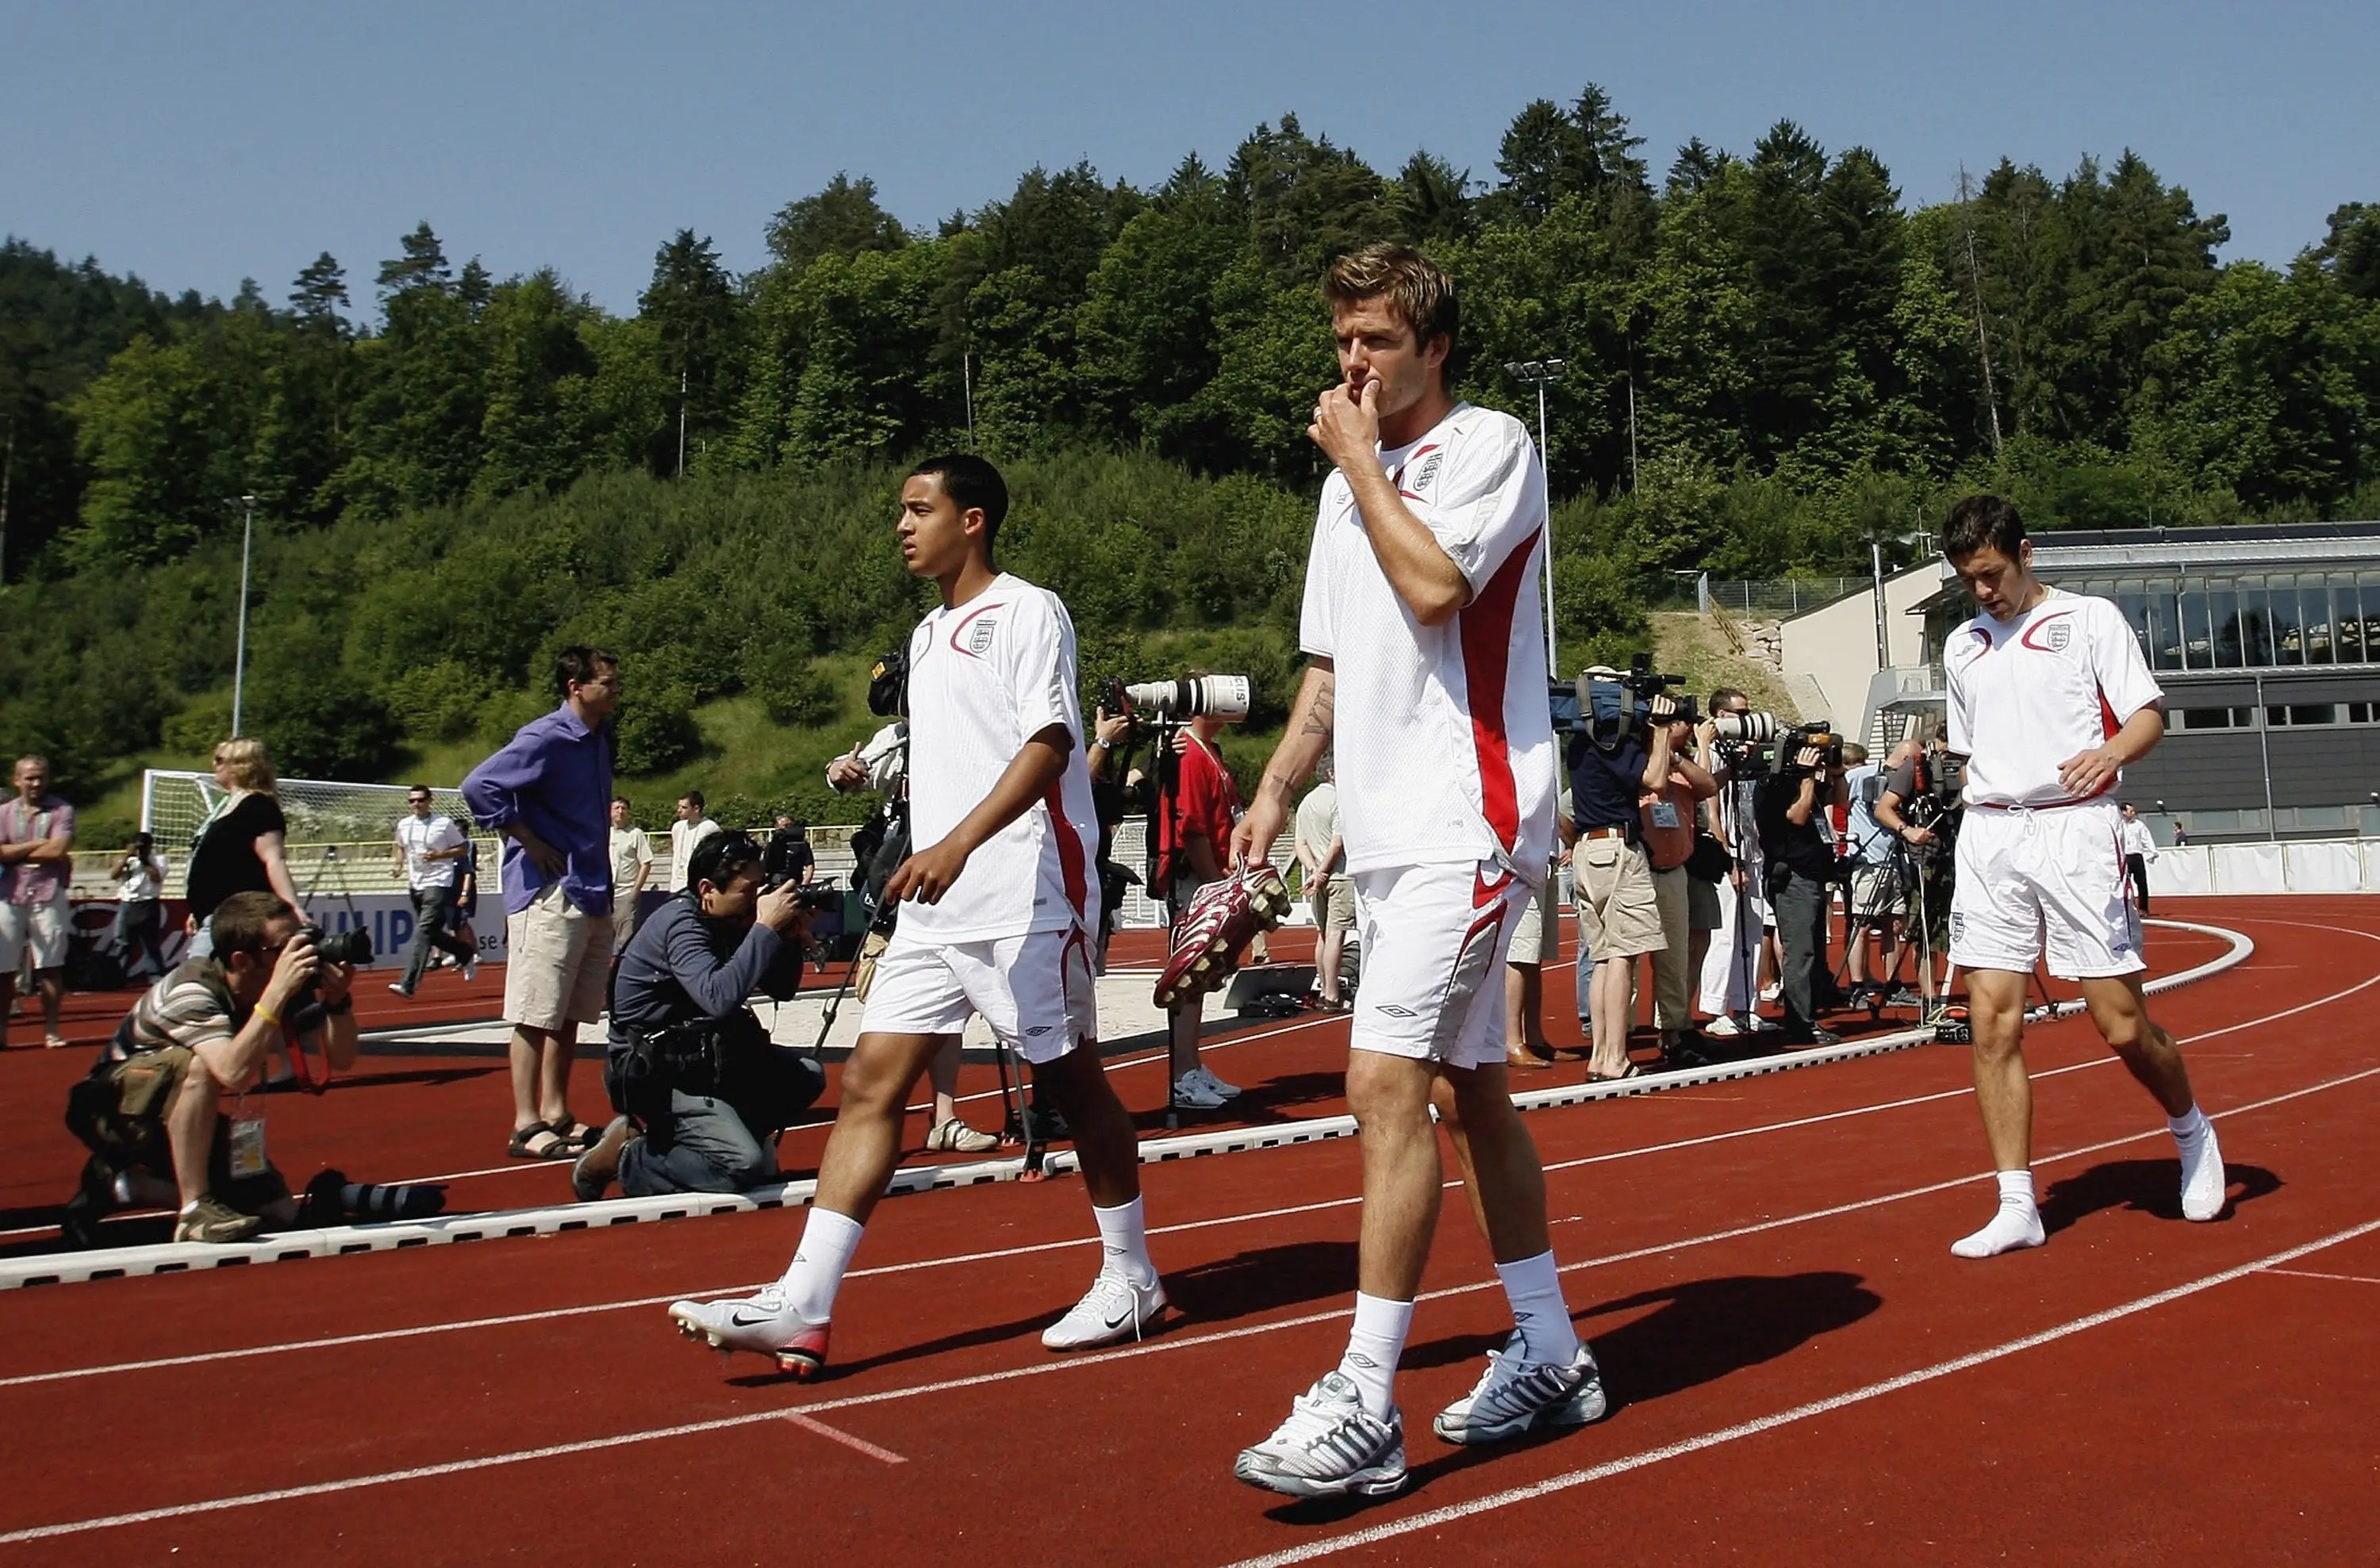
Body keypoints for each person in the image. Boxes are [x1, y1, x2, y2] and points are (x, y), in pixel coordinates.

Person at [1228, 244, 1600, 1499]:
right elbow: (1330, 665)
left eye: (1377, 341)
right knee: (1467, 1095)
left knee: (1382, 1080)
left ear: (1434, 349)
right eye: (1343, 340)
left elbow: (1438, 588)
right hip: (1388, 835)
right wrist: (1276, 790)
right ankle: (1552, 1348)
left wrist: (1355, 460)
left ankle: (1365, 1396)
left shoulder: (1488, 444)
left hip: (1470, 818)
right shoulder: (1347, 491)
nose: (1352, 362)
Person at [668, 453, 1163, 1377]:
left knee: (1072, 1086)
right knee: (869, 1083)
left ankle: (1131, 1274)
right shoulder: (926, 638)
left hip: (1026, 892)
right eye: (900, 509)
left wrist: (960, 843)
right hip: (937, 903)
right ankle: (805, 1305)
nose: (901, 524)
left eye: (918, 508)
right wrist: (918, 851)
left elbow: (1051, 743)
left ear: (972, 520)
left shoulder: (1027, 610)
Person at [1937, 494, 2224, 1258]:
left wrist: (2111, 754)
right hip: (1993, 835)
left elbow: (2148, 715)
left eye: (1992, 574)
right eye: (1969, 580)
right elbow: (1971, 747)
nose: (1983, 592)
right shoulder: (1961, 644)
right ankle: (2016, 1201)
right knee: (1990, 1018)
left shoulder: (2092, 620)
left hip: (2077, 831)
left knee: (2120, 1023)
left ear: (2026, 553)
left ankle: (2192, 1129)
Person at [63, 891, 357, 1242]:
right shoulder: (192, 990)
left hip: (172, 1109)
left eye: (303, 940)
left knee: (278, 1210)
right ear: (242, 960)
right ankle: (194, 1209)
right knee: (198, 1065)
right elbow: (231, 1072)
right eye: (284, 947)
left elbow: (342, 1058)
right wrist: (276, 995)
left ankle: (122, 1186)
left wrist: (338, 1002)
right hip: (113, 1109)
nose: (299, 954)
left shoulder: (269, 985)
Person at [575, 831, 825, 1200]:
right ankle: (630, 1156)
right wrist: (764, 928)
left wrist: (787, 937)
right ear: (708, 888)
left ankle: (733, 1133)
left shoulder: (729, 919)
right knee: (744, 1168)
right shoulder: (683, 925)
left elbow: (782, 989)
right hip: (658, 1071)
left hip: (707, 1061)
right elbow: (718, 998)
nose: (758, 899)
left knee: (807, 1076)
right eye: (748, 889)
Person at [463, 646, 621, 1162]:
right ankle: (524, 1121)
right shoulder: (545, 736)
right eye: (607, 682)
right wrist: (525, 837)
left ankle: (556, 1110)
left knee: (570, 1011)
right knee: (536, 1011)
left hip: (590, 887)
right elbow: (478, 784)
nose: (615, 690)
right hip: (550, 891)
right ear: (577, 686)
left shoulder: (599, 738)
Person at [824, 719, 996, 1153]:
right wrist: (839, 769)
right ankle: (874, 1121)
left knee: (950, 1008)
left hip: (954, 890)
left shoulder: (975, 721)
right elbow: (852, 774)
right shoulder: (902, 735)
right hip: (896, 895)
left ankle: (945, 1117)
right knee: (887, 1010)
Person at [1568, 671, 1679, 1083]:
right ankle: (1615, 1056)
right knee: (1623, 954)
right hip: (1616, 849)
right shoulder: (1611, 738)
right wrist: (1663, 733)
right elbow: (1654, 781)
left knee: (1601, 955)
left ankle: (1601, 1054)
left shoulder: (1580, 738)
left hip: (1587, 850)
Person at [1155, 684, 1246, 1108]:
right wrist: (1218, 887)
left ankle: (1190, 1066)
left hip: (1208, 874)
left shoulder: (1207, 751)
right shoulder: (1191, 755)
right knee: (1189, 978)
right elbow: (1191, 827)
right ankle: (1182, 1073)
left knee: (1200, 979)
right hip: (1198, 879)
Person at [1754, 736, 1845, 1047]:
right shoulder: (1773, 785)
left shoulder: (1805, 782)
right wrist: (1807, 778)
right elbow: (1798, 815)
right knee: (1801, 951)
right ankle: (1799, 1022)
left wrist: (1836, 772)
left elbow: (1838, 800)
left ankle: (1809, 1011)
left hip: (1813, 873)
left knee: (1815, 948)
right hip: (1792, 876)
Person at [1641, 718, 1720, 1064]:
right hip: (1642, 868)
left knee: (1675, 957)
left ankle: (1674, 1031)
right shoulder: (1636, 761)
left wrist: (1678, 757)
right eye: (1677, 721)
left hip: (1676, 870)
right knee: (1628, 958)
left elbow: (1708, 787)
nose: (1687, 725)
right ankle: (1624, 1035)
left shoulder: (1680, 767)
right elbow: (1569, 811)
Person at [182, 738, 307, 959]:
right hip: (214, 915)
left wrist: (292, 906)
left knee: (196, 980)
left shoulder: (258, 806)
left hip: (237, 918)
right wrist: (198, 909)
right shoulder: (227, 805)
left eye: (220, 759)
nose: (214, 765)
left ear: (241, 765)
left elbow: (273, 859)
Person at [1697, 690, 1774, 1037]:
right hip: (1726, 852)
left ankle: (1747, 1005)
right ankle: (1715, 1008)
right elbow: (1709, 803)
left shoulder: (1748, 754)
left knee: (1753, 934)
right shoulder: (1710, 753)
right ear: (1719, 715)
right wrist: (1727, 855)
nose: (1746, 720)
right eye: (1739, 713)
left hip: (1753, 849)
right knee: (1724, 933)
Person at [2, 755, 77, 1049]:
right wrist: (37, 845)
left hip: (49, 891)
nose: (35, 783)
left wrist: (15, 851)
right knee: (3, 969)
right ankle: (2, 1031)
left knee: (50, 965)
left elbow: (58, 848)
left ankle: (52, 1029)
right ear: (16, 780)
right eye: (29, 777)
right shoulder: (4, 811)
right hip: (9, 892)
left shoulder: (62, 810)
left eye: (41, 777)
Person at [388, 786, 478, 997]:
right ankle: (465, 953)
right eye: (411, 801)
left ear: (429, 801)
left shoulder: (443, 824)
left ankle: (408, 984)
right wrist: (399, 865)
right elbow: (400, 847)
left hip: (439, 881)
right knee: (432, 933)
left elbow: (463, 848)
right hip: (416, 882)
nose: (415, 804)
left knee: (423, 930)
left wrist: (439, 856)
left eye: (420, 800)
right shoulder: (404, 824)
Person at [1292, 757, 1353, 1011]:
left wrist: (1313, 870)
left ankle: (1322, 988)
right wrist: (1324, 872)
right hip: (1338, 875)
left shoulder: (1306, 802)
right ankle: (1332, 994)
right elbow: (1337, 842)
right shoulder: (1339, 800)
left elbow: (1300, 844)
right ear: (1331, 773)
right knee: (1335, 934)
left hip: (1317, 876)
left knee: (1322, 934)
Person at [112, 831, 170, 982]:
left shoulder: (158, 859)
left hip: (148, 902)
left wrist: (144, 860)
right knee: (122, 941)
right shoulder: (127, 860)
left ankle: (155, 973)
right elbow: (114, 875)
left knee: (150, 942)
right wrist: (127, 857)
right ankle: (118, 973)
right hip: (127, 903)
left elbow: (156, 877)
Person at [608, 797, 655, 955]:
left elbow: (646, 863)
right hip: (606, 892)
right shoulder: (604, 834)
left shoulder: (636, 834)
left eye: (624, 808)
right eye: (617, 808)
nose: (620, 812)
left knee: (625, 939)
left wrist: (635, 890)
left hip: (626, 892)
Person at [667, 792, 721, 895]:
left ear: (696, 808)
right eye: (679, 807)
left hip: (697, 886)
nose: (679, 810)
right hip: (676, 885)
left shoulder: (710, 827)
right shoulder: (677, 827)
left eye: (684, 807)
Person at [2120, 802, 2157, 913]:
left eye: (2133, 811)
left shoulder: (2139, 825)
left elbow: (2146, 838)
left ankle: (2143, 908)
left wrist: (2153, 851)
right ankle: (2124, 908)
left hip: (2136, 856)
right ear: (2124, 812)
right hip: (2124, 857)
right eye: (2130, 811)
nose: (2133, 813)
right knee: (2122, 884)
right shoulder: (2119, 825)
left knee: (2141, 883)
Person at [763, 814, 816, 887]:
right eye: (785, 825)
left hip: (796, 883)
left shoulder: (801, 844)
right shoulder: (772, 846)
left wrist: (804, 884)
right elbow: (766, 868)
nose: (789, 828)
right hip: (776, 884)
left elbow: (809, 865)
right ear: (777, 827)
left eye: (790, 825)